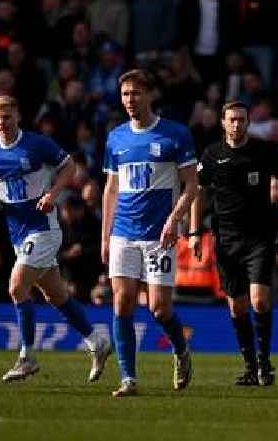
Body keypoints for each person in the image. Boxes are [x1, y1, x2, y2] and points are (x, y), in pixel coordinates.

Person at [0, 95, 111, 383]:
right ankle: (98, 341)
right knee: (56, 295)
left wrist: (52, 194)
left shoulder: (36, 144)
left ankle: (27, 357)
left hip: (44, 229)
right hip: (17, 233)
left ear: (17, 116)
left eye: (7, 117)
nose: (2, 123)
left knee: (16, 286)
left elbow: (69, 167)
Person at [101, 69, 197, 397]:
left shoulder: (175, 135)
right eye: (126, 94)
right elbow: (110, 190)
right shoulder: (116, 138)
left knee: (159, 309)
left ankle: (181, 350)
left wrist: (174, 221)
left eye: (136, 94)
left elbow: (191, 185)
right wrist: (105, 236)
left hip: (160, 234)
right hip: (123, 232)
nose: (130, 100)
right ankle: (128, 378)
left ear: (150, 95)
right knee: (123, 300)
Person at [189, 101, 278, 386]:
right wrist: (193, 232)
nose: (237, 124)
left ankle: (264, 364)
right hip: (225, 240)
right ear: (223, 123)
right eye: (232, 120)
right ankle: (250, 366)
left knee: (260, 300)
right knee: (237, 307)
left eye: (241, 119)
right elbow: (198, 193)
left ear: (248, 122)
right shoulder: (213, 154)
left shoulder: (263, 150)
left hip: (259, 238)